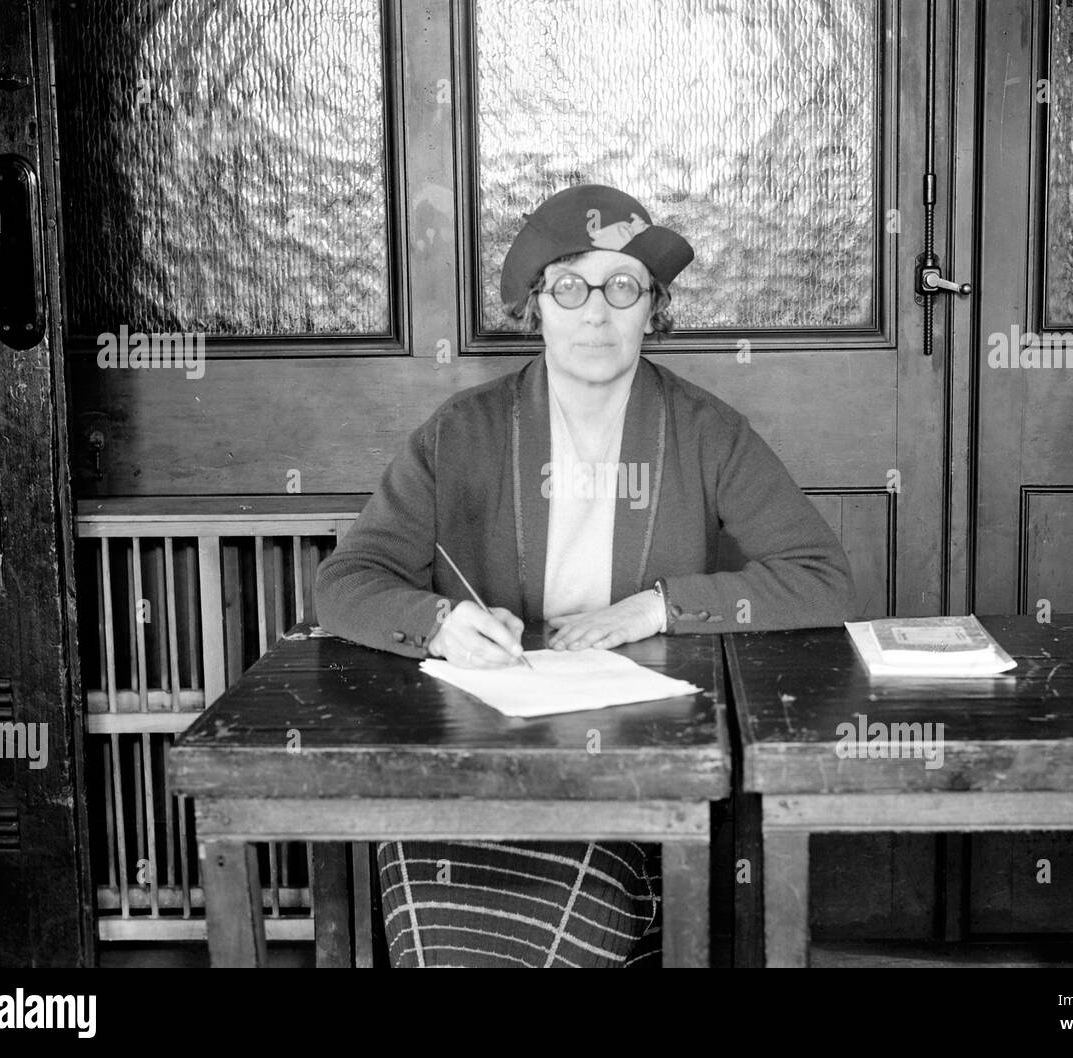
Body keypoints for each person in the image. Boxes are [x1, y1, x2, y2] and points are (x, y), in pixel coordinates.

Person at [314, 184, 854, 966]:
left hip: (630, 757)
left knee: (577, 917)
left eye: (623, 286)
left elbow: (823, 578)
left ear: (652, 309)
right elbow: (346, 581)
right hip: (473, 755)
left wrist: (660, 608)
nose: (596, 312)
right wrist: (439, 623)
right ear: (538, 308)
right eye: (570, 287)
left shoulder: (706, 432)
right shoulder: (461, 433)